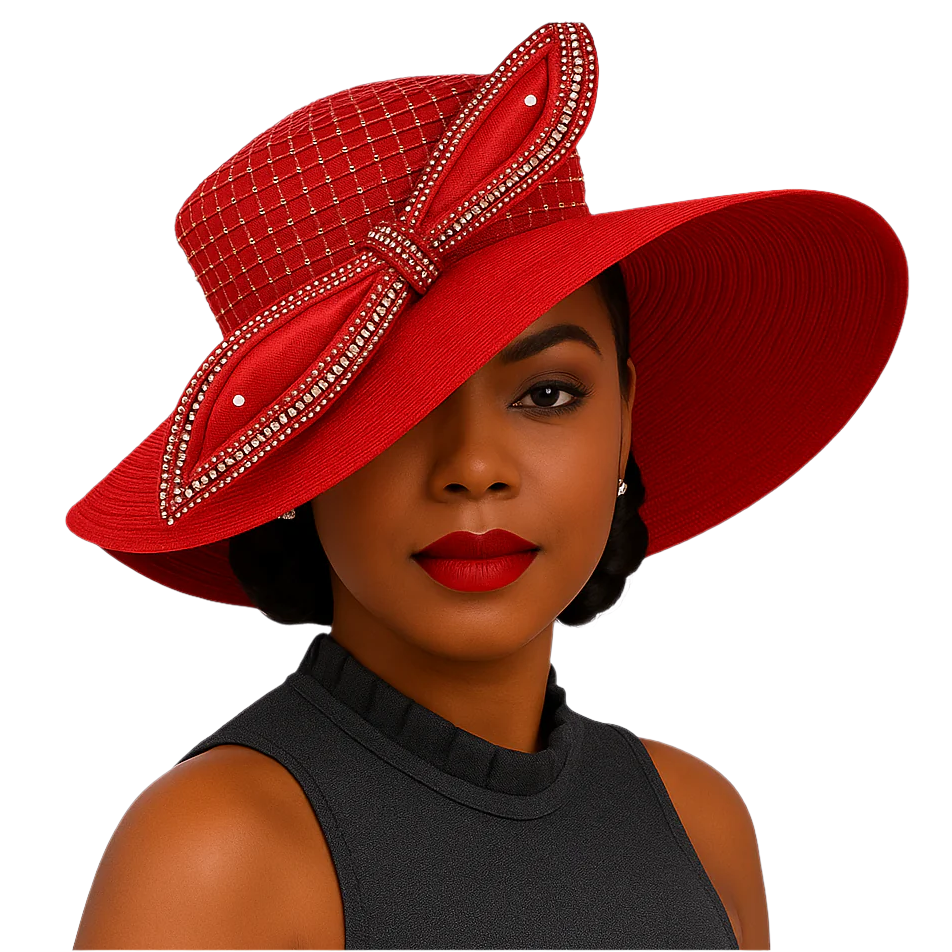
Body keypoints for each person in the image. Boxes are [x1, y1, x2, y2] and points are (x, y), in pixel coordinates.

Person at [66, 20, 907, 951]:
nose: (474, 467)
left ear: (626, 418)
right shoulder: (214, 855)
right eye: (392, 406)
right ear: (295, 455)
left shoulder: (703, 827)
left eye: (547, 393)